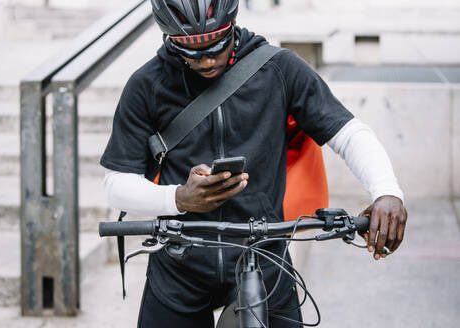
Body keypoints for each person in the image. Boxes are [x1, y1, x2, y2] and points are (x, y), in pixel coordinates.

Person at [100, 1, 408, 327]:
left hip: (264, 257)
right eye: (190, 51)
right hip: (179, 264)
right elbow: (115, 184)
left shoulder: (279, 69)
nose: (206, 60)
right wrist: (177, 198)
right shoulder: (147, 84)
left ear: (232, 24)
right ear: (168, 37)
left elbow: (347, 133)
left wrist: (386, 191)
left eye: (217, 46)